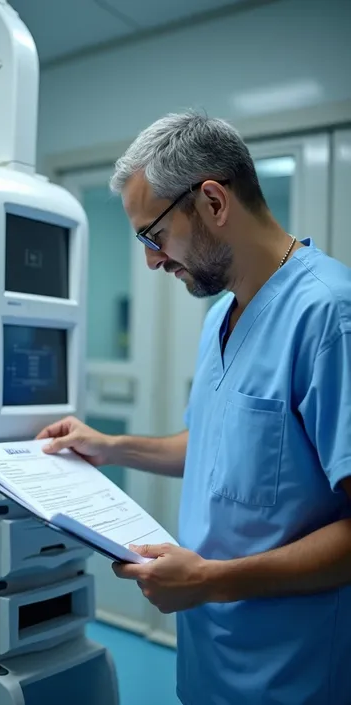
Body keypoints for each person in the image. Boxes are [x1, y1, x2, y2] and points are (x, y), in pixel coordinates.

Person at [37, 111, 351, 705]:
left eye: (153, 236)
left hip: (292, 673)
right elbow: (215, 445)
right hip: (211, 660)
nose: (152, 261)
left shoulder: (329, 317)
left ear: (211, 201)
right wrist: (110, 445)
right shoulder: (219, 320)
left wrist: (209, 581)